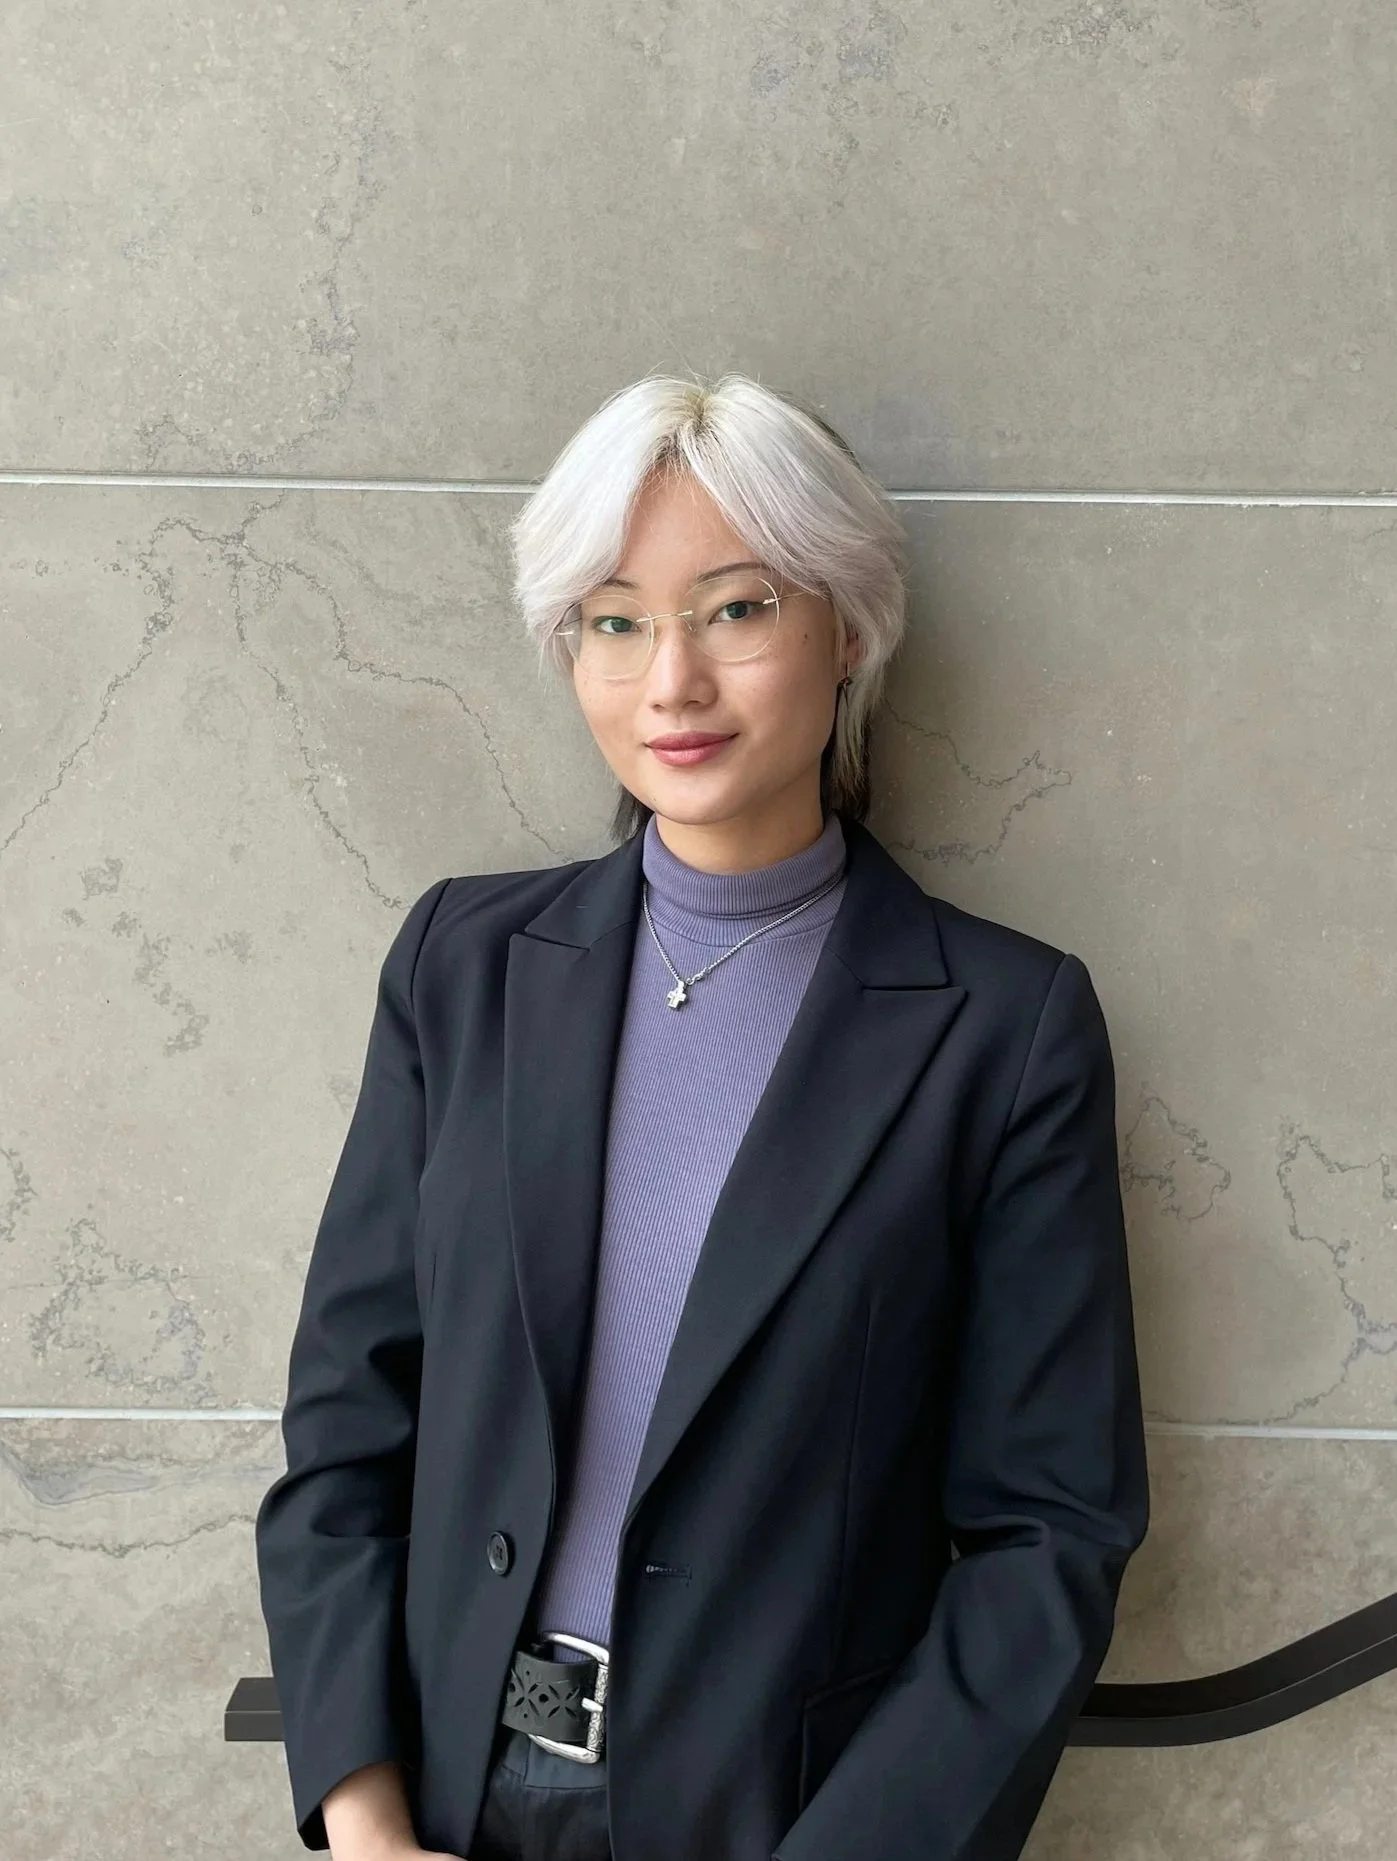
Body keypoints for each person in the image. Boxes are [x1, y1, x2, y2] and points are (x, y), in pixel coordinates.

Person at [254, 371, 1150, 1861]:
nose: (670, 681)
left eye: (734, 610)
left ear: (847, 628)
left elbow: (1046, 1535)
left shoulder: (1004, 1030)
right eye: (615, 620)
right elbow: (350, 1427)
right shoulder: (463, 970)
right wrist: (361, 1817)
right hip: (443, 1798)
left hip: (783, 1820)